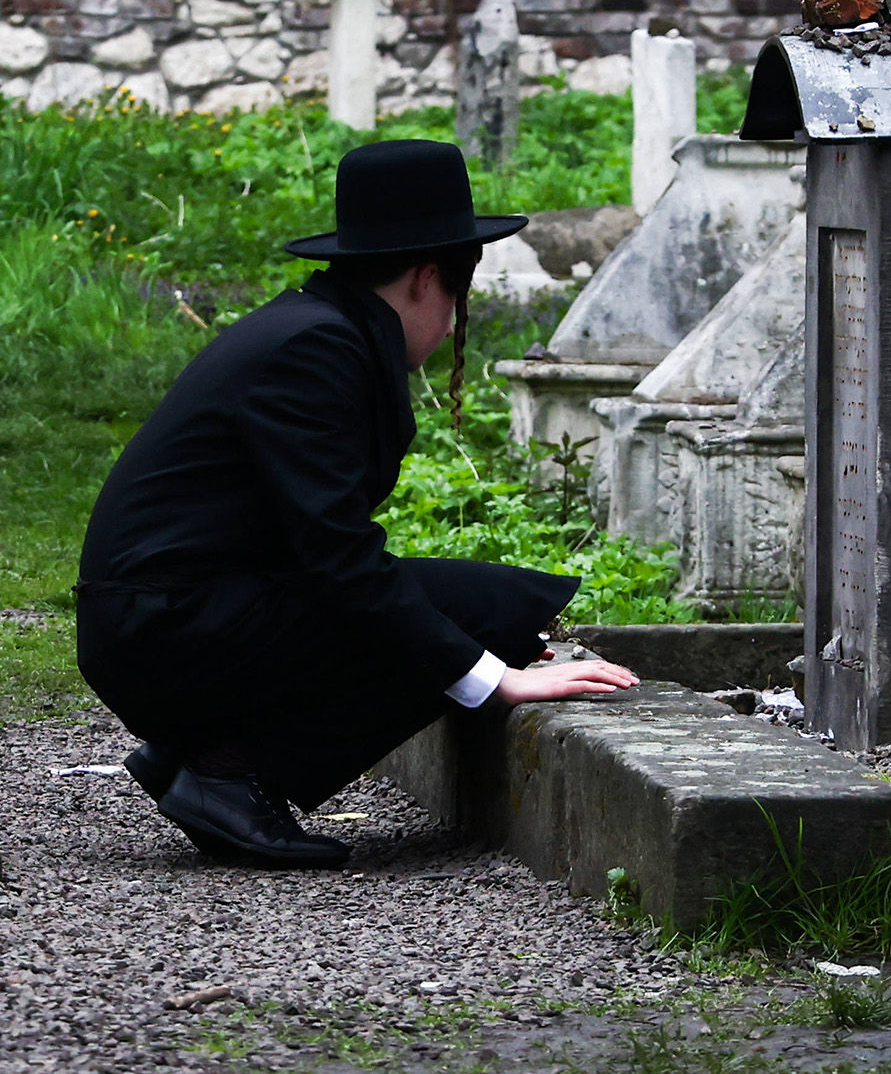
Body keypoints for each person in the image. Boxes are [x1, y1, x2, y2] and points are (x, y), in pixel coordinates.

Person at [76, 139, 638, 868]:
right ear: (427, 278)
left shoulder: (321, 329)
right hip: (163, 631)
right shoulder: (315, 350)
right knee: (491, 616)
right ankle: (231, 775)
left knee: (494, 607)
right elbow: (339, 556)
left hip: (179, 617)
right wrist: (495, 679)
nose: (450, 322)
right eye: (456, 298)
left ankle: (199, 748)